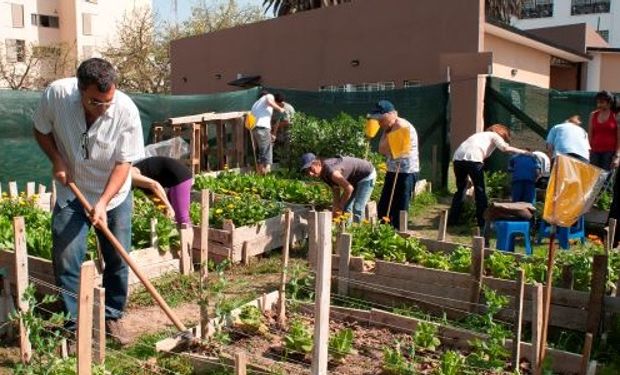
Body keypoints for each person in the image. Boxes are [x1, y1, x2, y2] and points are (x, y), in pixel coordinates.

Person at [33, 58, 144, 344]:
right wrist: (57, 159)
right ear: (80, 90)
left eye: (109, 101)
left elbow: (124, 163)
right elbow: (41, 130)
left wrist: (104, 203)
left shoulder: (126, 110)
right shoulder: (56, 95)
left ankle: (112, 316)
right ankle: (73, 324)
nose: (104, 107)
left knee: (118, 257)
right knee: (67, 257)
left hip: (114, 194)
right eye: (96, 102)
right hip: (73, 191)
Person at [448, 124, 528, 229]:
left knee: (460, 190)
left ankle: (453, 220)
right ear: (501, 134)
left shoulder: (479, 135)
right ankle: (483, 221)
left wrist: (470, 177)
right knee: (480, 191)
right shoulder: (494, 135)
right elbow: (505, 148)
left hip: (458, 159)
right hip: (474, 159)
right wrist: (525, 152)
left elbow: (468, 153)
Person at [368, 100, 420, 229]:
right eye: (377, 119)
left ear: (392, 114)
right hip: (393, 170)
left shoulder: (401, 125)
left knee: (400, 207)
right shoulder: (389, 127)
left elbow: (387, 149)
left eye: (381, 118)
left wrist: (387, 133)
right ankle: (384, 233)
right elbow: (381, 149)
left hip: (406, 173)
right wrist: (387, 131)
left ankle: (399, 235)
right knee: (384, 206)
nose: (379, 122)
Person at [300, 153, 376, 223]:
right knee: (346, 208)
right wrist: (335, 211)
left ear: (318, 163)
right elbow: (336, 190)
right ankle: (346, 230)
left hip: (366, 175)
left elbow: (349, 188)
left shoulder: (331, 171)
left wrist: (341, 205)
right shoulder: (322, 174)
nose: (310, 173)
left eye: (310, 168)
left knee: (358, 208)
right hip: (354, 179)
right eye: (307, 172)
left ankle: (360, 233)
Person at [131, 156, 193, 228]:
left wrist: (168, 207)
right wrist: (164, 210)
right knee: (169, 216)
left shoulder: (130, 176)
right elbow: (153, 195)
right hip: (168, 179)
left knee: (182, 219)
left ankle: (188, 239)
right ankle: (179, 238)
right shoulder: (136, 182)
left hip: (179, 177)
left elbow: (154, 185)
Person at [251, 91, 285, 175]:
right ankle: (265, 173)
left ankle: (263, 171)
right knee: (265, 152)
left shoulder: (256, 104)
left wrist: (270, 134)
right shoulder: (269, 96)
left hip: (256, 129)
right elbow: (270, 101)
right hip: (262, 128)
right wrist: (280, 109)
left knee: (263, 150)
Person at [589, 91, 619, 170]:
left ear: (609, 103)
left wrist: (617, 155)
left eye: (602, 102)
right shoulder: (593, 115)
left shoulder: (616, 116)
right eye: (598, 102)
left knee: (605, 179)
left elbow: (619, 137)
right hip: (594, 153)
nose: (599, 105)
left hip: (609, 154)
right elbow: (590, 135)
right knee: (594, 179)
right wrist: (589, 151)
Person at [272, 94, 295, 165]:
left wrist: (274, 126)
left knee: (286, 150)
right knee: (278, 149)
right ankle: (278, 163)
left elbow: (287, 122)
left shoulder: (287, 108)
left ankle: (286, 165)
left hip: (288, 133)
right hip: (279, 133)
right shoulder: (275, 108)